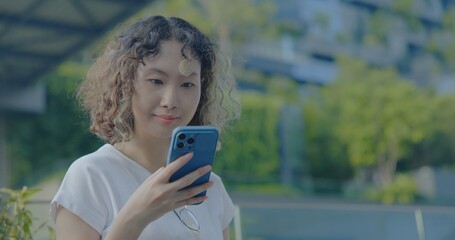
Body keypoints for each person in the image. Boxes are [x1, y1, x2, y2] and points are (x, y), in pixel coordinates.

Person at [50, 15, 240, 240]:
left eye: (187, 84)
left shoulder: (211, 187)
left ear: (202, 91)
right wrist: (136, 216)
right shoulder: (91, 175)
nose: (170, 100)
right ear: (126, 83)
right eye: (156, 81)